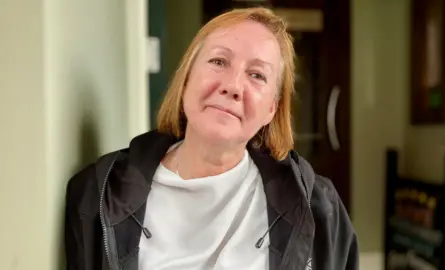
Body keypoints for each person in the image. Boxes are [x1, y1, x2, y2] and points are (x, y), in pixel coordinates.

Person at [65, 7, 358, 270]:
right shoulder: (98, 194)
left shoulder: (319, 206)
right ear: (187, 78)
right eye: (219, 61)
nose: (232, 86)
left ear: (271, 109)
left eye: (257, 75)